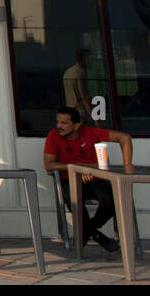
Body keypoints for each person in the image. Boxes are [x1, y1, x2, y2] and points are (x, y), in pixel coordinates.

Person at [43, 107, 134, 253]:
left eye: (64, 123)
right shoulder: (54, 135)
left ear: (77, 125)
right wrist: (77, 168)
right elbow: (49, 165)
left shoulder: (90, 132)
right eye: (57, 122)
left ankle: (87, 232)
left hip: (95, 178)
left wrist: (128, 165)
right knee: (72, 199)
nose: (58, 126)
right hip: (71, 178)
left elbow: (124, 138)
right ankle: (97, 235)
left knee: (113, 199)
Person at [62, 49, 94, 121]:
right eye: (90, 58)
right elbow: (84, 97)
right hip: (80, 113)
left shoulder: (68, 72)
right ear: (84, 58)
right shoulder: (81, 73)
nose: (91, 61)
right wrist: (94, 118)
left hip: (70, 112)